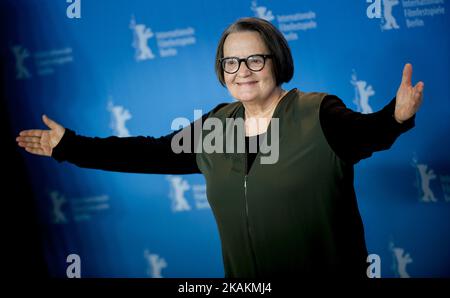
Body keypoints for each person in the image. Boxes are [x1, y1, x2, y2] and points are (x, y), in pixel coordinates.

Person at [16, 17, 424, 278]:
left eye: (254, 60)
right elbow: (148, 153)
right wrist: (69, 145)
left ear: (277, 62)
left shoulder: (318, 113)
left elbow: (369, 133)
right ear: (222, 70)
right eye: (231, 62)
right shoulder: (217, 124)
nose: (242, 72)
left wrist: (395, 116)